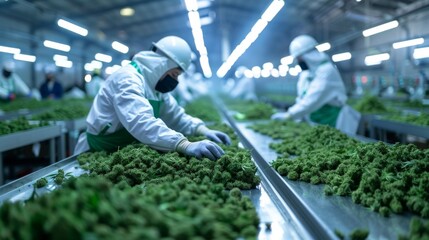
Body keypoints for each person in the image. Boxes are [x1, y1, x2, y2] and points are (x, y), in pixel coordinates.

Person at [74, 36, 231, 160]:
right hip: (97, 152)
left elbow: (176, 116)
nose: (175, 81)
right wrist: (183, 144)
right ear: (162, 64)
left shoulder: (155, 88)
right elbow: (141, 121)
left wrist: (201, 129)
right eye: (174, 74)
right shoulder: (128, 79)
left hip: (122, 153)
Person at [271, 35, 360, 133]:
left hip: (332, 119)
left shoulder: (327, 70)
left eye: (299, 58)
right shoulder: (306, 74)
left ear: (308, 55)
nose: (298, 62)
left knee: (335, 143)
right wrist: (298, 117)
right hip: (315, 121)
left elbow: (313, 98)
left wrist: (290, 114)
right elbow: (302, 99)